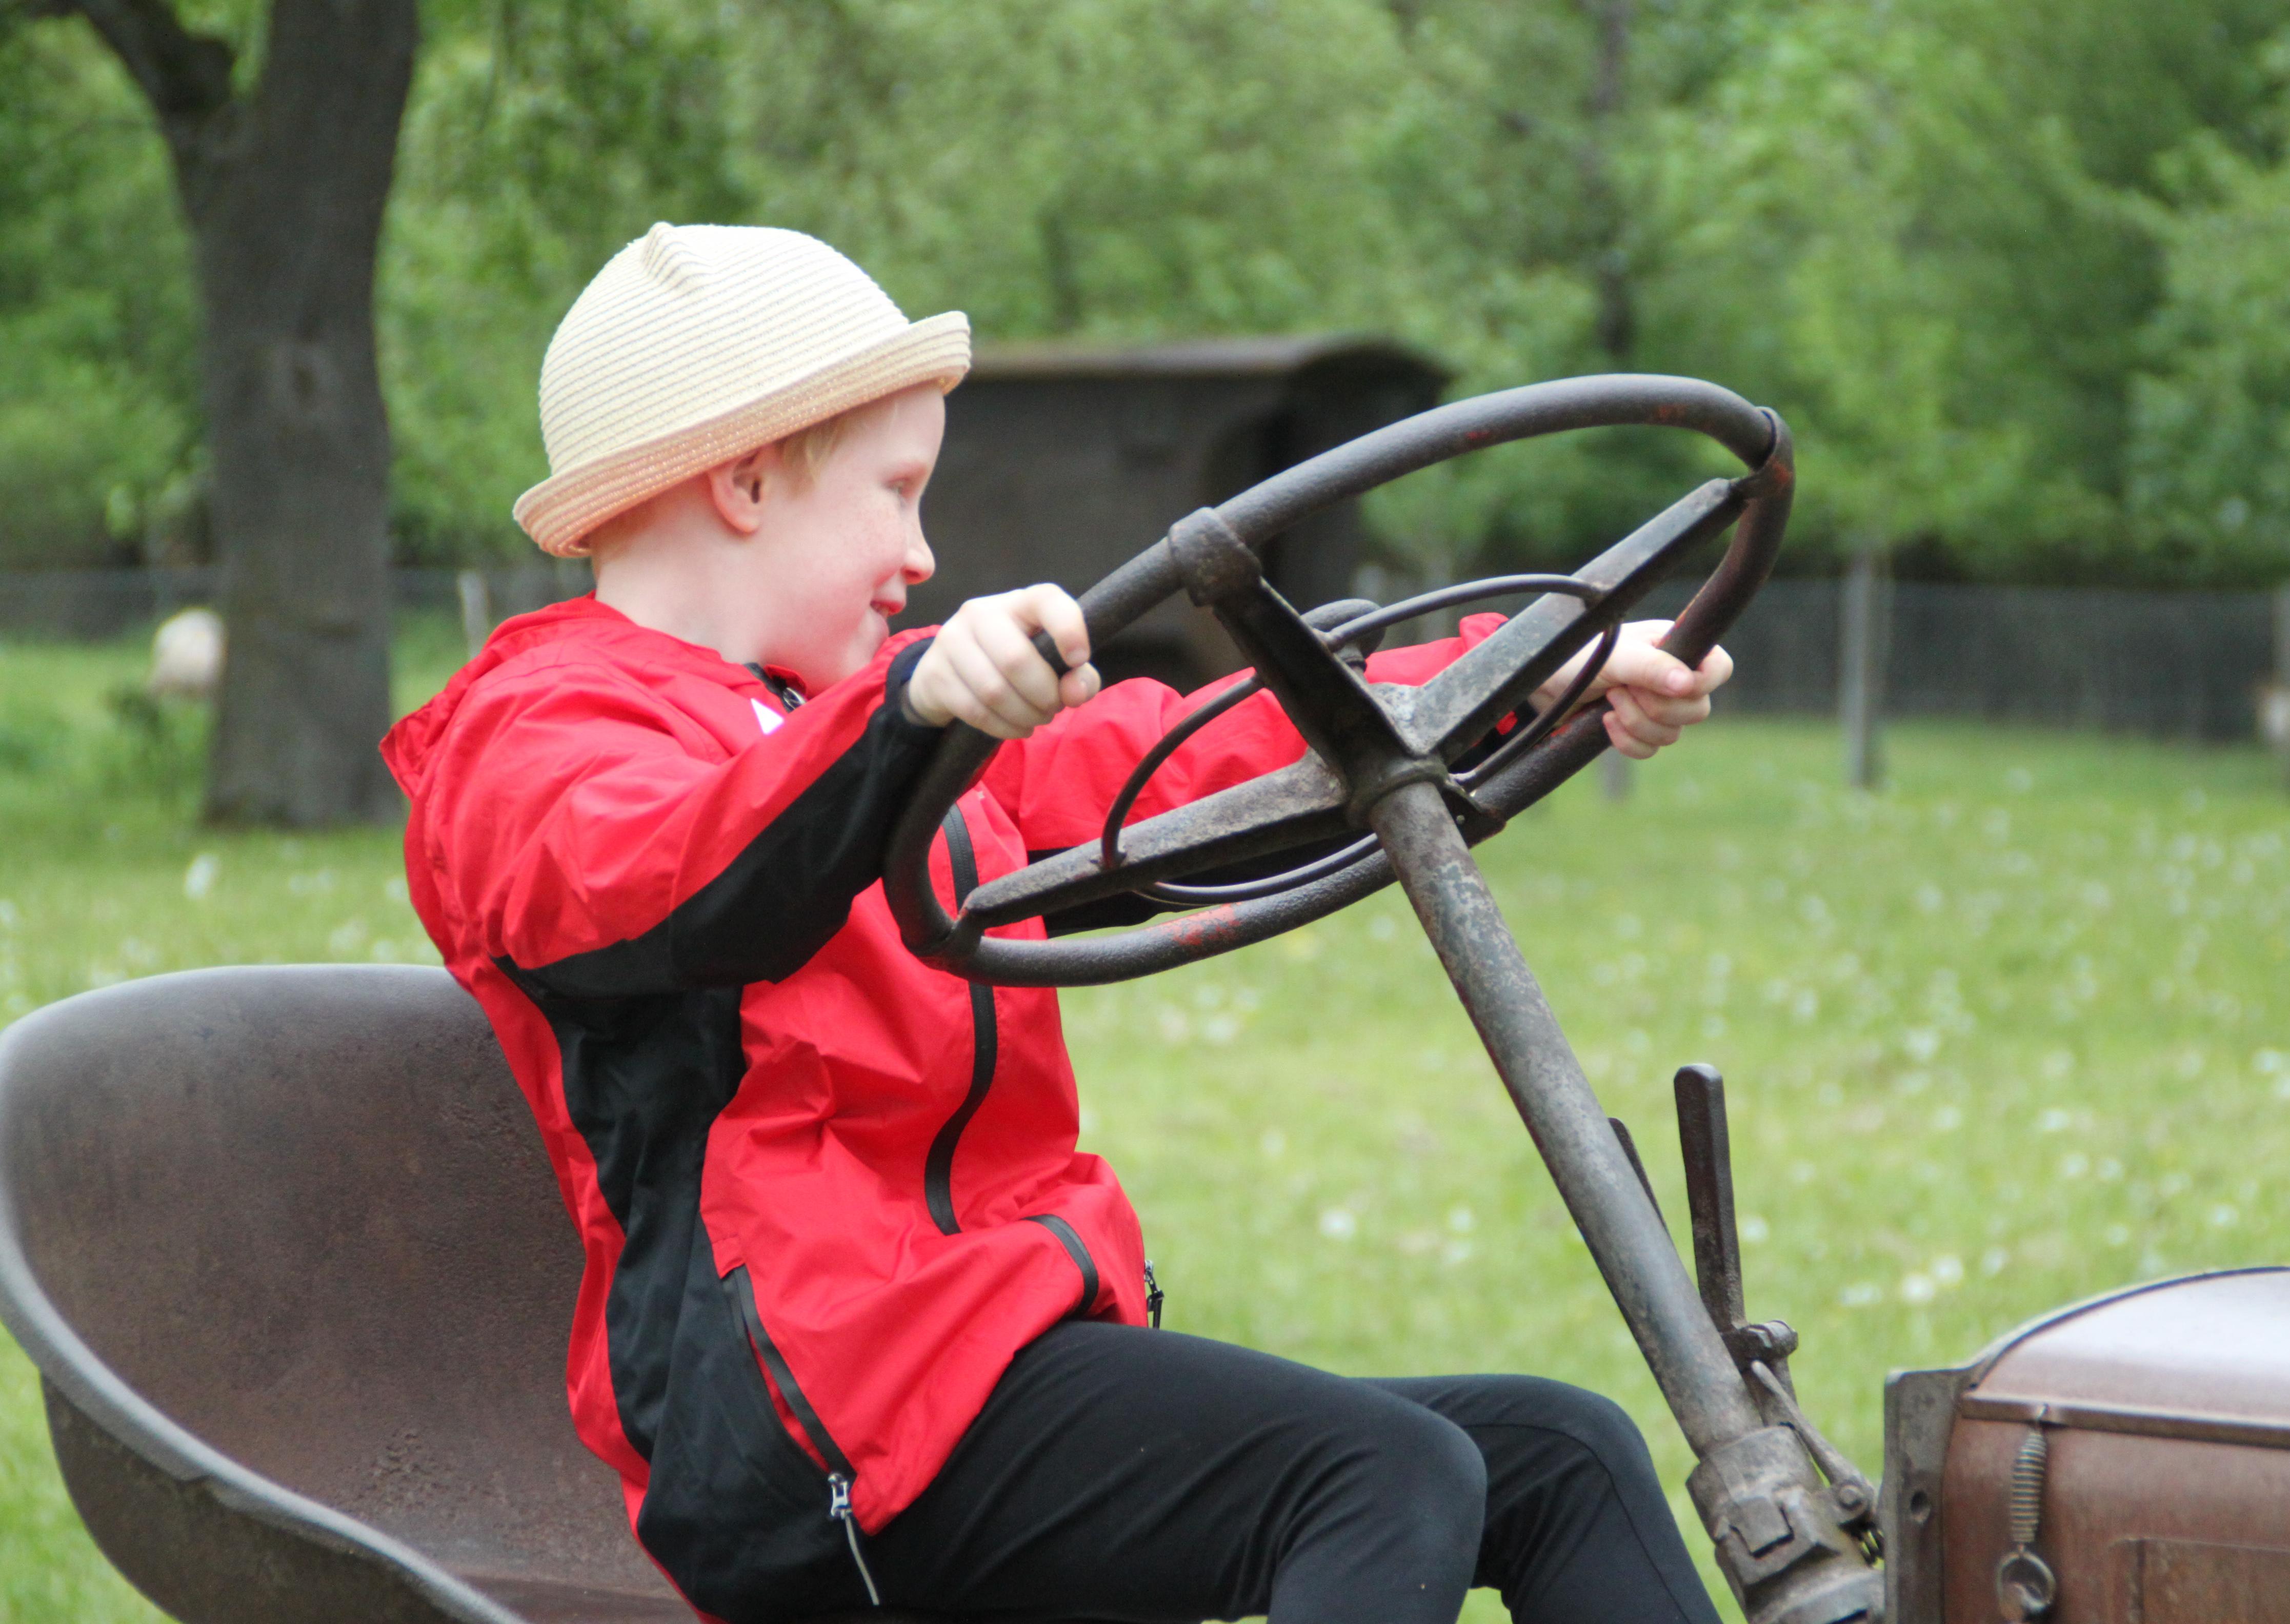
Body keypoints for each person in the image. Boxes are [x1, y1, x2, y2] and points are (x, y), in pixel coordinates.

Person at [383, 223, 1734, 1624]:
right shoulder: (538, 742)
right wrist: (899, 715)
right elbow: (679, 874)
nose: (919, 555)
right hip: (818, 1423)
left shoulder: (849, 721)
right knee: (1375, 1480)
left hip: (992, 1352)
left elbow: (1163, 762)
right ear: (742, 482)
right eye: (897, 493)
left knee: (1560, 1455)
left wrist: (1529, 671)